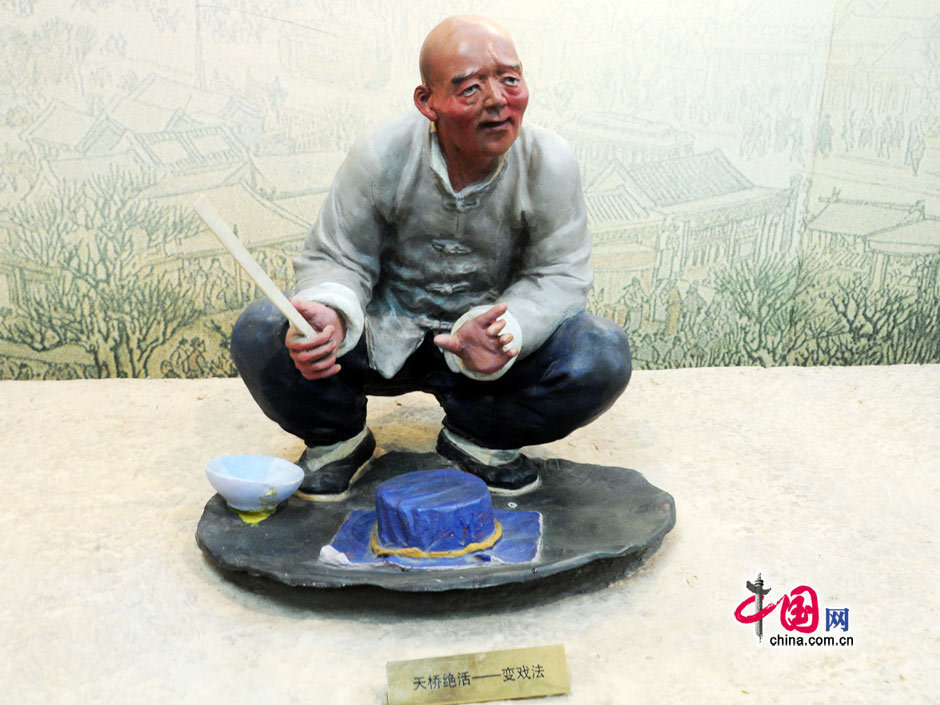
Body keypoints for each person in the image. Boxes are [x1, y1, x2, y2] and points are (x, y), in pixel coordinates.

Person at [231, 15, 631, 498]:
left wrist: (508, 330)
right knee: (260, 331)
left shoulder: (550, 162)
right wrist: (331, 313)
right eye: (470, 88)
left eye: (510, 79)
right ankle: (337, 439)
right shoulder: (380, 154)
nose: (497, 100)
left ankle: (481, 438)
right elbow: (340, 255)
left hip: (487, 352)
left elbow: (559, 273)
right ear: (428, 102)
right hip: (381, 334)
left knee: (601, 353)